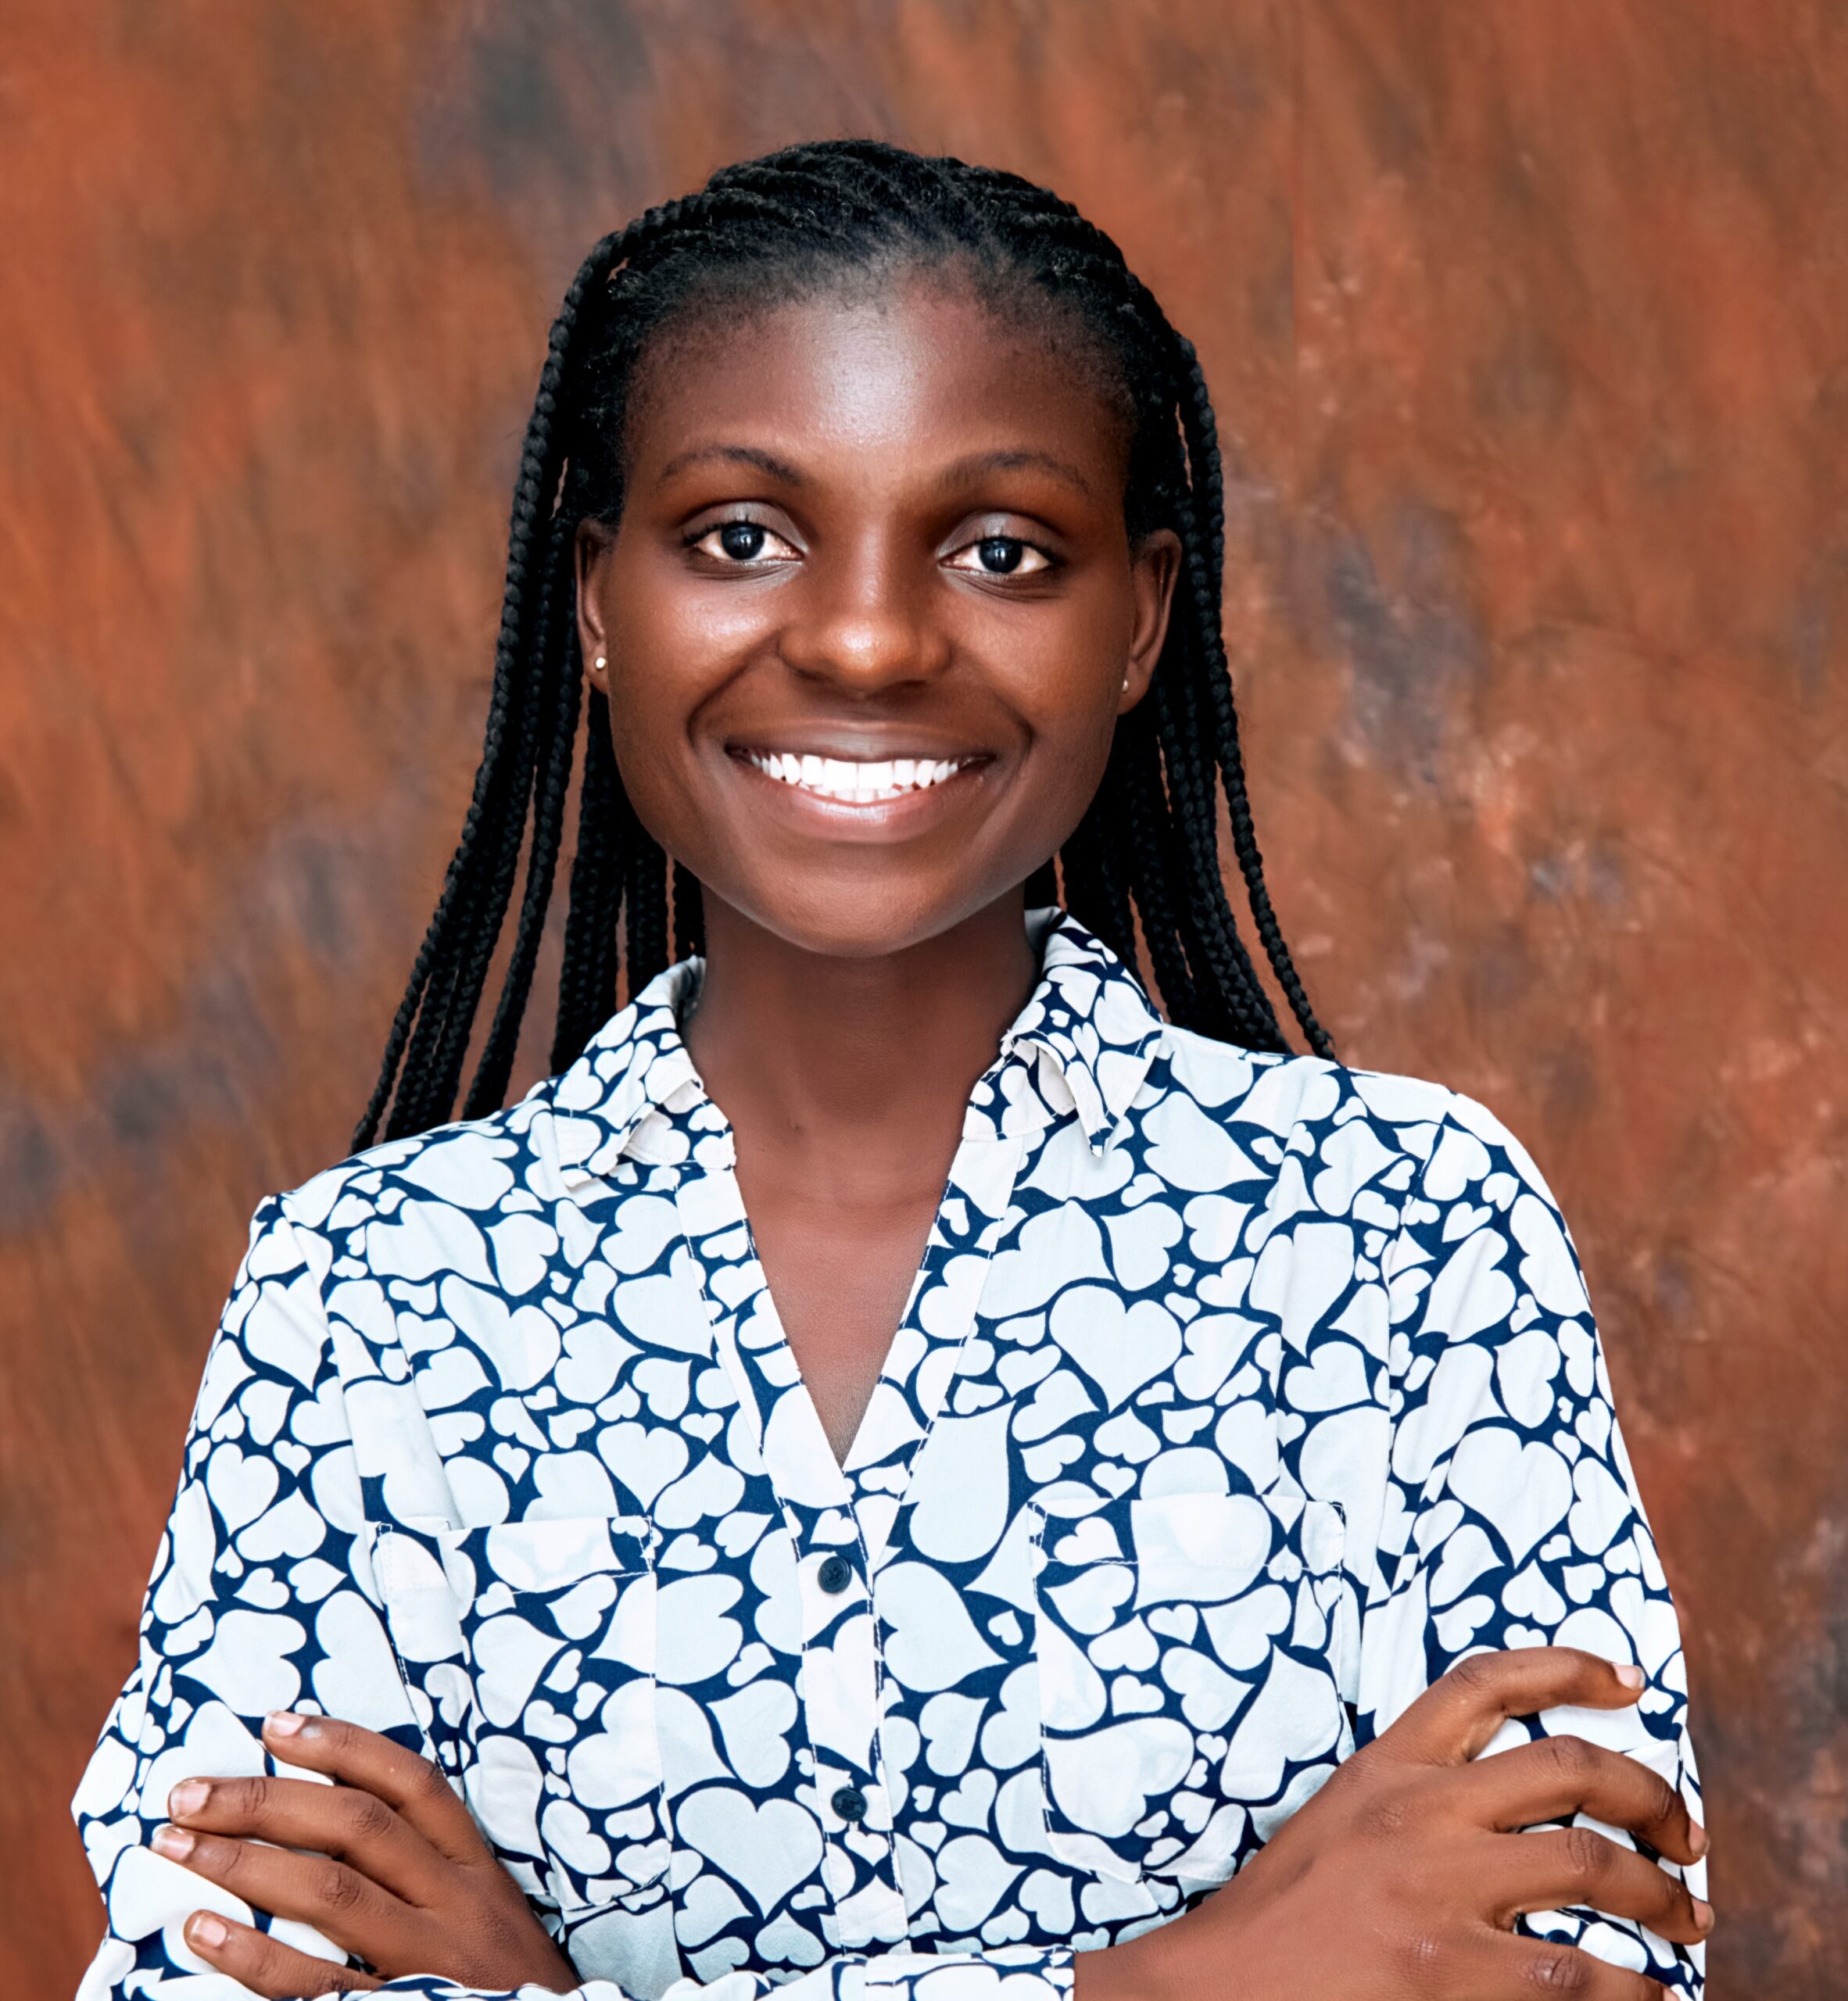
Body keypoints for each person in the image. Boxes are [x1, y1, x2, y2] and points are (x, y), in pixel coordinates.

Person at [69, 141, 1707, 2001]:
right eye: (743, 535)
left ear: (1142, 617)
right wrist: (1172, 1983)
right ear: (599, 598)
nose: (864, 637)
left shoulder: (1409, 1234)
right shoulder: (365, 1294)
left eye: (1000, 549)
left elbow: (1581, 1959)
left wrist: (550, 1990)